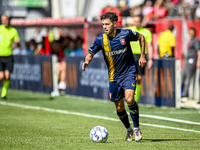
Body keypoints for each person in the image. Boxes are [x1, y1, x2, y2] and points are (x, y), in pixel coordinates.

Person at [82, 12, 146, 142]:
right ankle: (128, 129)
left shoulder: (126, 34)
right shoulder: (100, 40)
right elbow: (90, 53)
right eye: (103, 24)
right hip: (114, 77)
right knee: (119, 107)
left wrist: (143, 56)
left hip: (129, 72)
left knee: (129, 99)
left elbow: (142, 37)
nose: (104, 27)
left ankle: (136, 128)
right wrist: (87, 61)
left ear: (115, 24)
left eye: (107, 24)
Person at [127, 14, 153, 103]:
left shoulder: (146, 32)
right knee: (130, 78)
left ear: (141, 21)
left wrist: (151, 59)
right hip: (130, 56)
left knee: (139, 78)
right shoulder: (129, 30)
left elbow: (149, 46)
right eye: (135, 21)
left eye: (138, 21)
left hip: (141, 56)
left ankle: (135, 101)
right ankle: (129, 98)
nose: (136, 23)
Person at [0, 14, 20, 100]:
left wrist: (17, 42)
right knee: (1, 76)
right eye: (3, 20)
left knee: (7, 76)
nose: (5, 21)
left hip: (8, 56)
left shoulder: (13, 31)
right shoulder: (0, 29)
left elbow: (18, 43)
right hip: (0, 56)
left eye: (6, 20)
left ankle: (3, 94)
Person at [181, 27, 200, 102]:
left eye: (192, 33)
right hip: (188, 60)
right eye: (190, 32)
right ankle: (183, 93)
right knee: (183, 76)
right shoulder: (191, 40)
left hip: (192, 60)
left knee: (188, 78)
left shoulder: (196, 40)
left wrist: (198, 61)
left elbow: (198, 51)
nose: (191, 34)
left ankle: (185, 95)